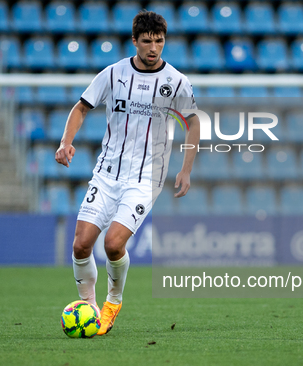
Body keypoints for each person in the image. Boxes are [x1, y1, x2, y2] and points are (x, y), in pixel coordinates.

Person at [55, 11, 199, 335]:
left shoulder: (176, 82)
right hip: (107, 173)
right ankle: (89, 306)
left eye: (159, 41)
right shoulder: (113, 73)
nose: (153, 48)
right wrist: (66, 142)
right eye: (147, 41)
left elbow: (193, 123)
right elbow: (81, 107)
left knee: (112, 244)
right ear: (134, 41)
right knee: (80, 245)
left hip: (145, 179)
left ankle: (113, 300)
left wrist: (186, 170)